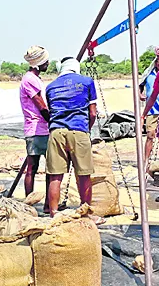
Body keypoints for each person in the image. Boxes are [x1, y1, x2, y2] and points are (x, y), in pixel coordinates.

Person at [45, 56, 104, 224]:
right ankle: (86, 212)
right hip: (78, 130)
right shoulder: (86, 82)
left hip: (56, 132)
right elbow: (92, 112)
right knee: (83, 174)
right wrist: (86, 128)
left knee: (55, 176)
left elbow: (52, 111)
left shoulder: (50, 87)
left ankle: (54, 213)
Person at [19, 46, 51, 198]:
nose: (48, 63)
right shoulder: (30, 80)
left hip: (39, 129)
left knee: (37, 166)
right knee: (34, 167)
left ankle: (45, 203)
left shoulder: (34, 78)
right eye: (45, 61)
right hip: (37, 130)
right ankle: (31, 201)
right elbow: (41, 106)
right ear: (38, 63)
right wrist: (53, 121)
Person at [139, 59, 159, 164]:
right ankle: (146, 160)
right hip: (152, 110)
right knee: (150, 135)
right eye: (157, 61)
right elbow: (140, 85)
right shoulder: (149, 73)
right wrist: (140, 94)